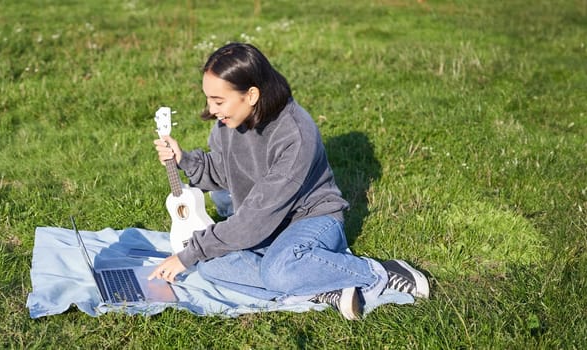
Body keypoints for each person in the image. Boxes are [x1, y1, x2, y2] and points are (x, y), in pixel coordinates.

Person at [147, 42, 429, 320]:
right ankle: (317, 286)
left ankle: (381, 272)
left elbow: (255, 217)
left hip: (310, 221)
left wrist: (187, 254)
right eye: (208, 98)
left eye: (218, 101)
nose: (211, 109)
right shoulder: (226, 125)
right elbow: (224, 173)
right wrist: (183, 159)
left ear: (252, 95)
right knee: (210, 266)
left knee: (275, 270)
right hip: (266, 230)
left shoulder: (295, 133)